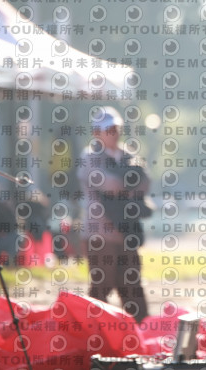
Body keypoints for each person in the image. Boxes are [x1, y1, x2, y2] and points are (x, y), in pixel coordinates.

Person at [76, 106, 150, 322]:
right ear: (96, 133)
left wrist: (128, 182)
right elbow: (110, 185)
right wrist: (130, 180)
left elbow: (146, 182)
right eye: (108, 129)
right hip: (101, 233)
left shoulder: (128, 154)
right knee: (102, 285)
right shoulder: (89, 157)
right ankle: (93, 330)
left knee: (132, 285)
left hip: (127, 231)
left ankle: (140, 331)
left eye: (116, 128)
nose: (114, 133)